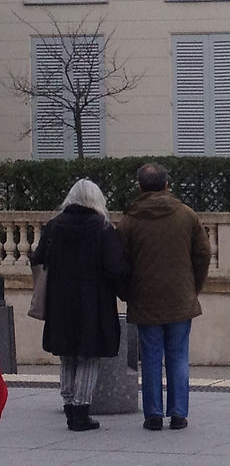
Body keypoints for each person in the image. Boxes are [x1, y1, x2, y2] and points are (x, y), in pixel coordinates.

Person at [30, 179, 129, 431]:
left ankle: (68, 404)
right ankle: (80, 410)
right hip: (92, 303)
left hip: (59, 301)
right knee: (88, 356)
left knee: (66, 356)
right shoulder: (102, 228)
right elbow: (114, 268)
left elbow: (38, 258)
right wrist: (126, 291)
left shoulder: (54, 226)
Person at [118, 163, 210, 431]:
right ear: (167, 185)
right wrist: (193, 286)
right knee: (178, 356)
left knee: (150, 357)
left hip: (144, 298)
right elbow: (203, 254)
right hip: (180, 296)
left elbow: (120, 262)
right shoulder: (186, 215)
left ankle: (153, 415)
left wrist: (127, 292)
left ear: (140, 187)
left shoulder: (130, 220)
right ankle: (179, 413)